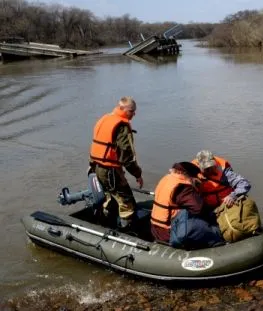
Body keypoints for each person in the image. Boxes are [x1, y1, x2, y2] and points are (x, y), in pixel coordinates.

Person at [89, 96, 144, 229]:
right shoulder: (122, 126)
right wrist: (137, 174)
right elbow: (127, 157)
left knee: (109, 196)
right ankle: (127, 231)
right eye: (131, 111)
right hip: (110, 170)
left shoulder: (105, 118)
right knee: (127, 201)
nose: (133, 114)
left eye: (134, 111)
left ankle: (105, 223)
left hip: (97, 166)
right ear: (121, 108)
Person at [151, 162, 224, 249]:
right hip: (168, 232)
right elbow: (199, 208)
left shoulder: (166, 178)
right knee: (204, 225)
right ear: (188, 175)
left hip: (155, 229)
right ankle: (218, 238)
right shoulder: (182, 187)